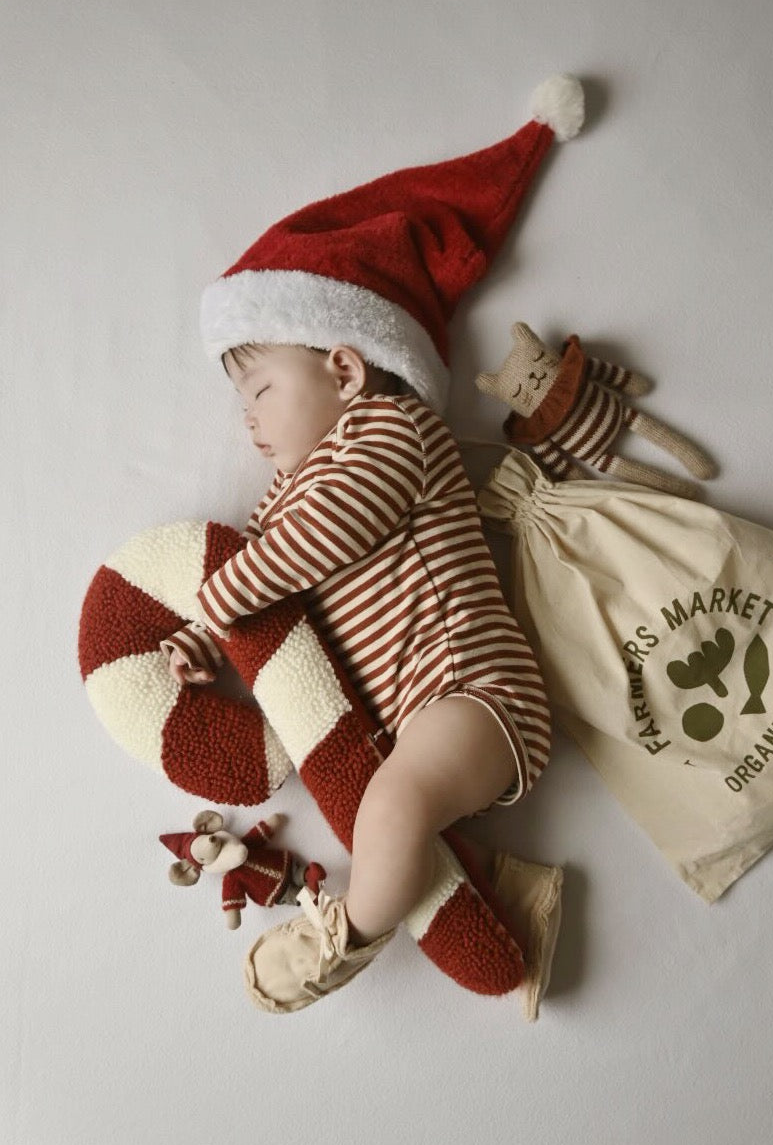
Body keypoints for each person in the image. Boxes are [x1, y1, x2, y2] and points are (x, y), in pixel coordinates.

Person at [161, 74, 585, 1012]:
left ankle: (341, 939)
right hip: (411, 718)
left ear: (346, 368)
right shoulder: (284, 492)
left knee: (391, 809)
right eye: (240, 403)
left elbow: (323, 536)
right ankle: (514, 899)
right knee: (399, 818)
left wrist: (218, 601)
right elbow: (262, 579)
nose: (248, 420)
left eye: (261, 390)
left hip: (471, 690)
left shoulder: (392, 432)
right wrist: (205, 638)